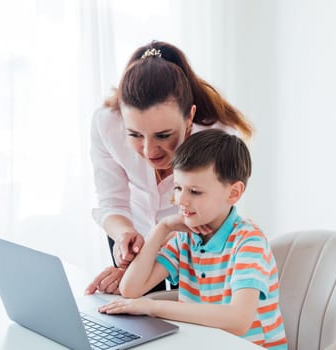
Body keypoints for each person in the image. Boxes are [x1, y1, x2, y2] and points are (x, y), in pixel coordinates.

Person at [85, 41, 253, 295]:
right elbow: (112, 201)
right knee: (135, 320)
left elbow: (207, 220)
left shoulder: (216, 138)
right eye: (134, 135)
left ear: (189, 118)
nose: (149, 151)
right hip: (134, 235)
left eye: (163, 135)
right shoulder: (106, 124)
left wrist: (145, 263)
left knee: (187, 316)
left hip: (191, 237)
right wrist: (125, 237)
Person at [98, 129, 287, 349]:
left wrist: (152, 307)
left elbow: (238, 321)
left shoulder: (248, 241)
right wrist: (162, 228)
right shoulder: (185, 238)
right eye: (178, 188)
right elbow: (131, 289)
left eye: (195, 192)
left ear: (233, 193)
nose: (182, 201)